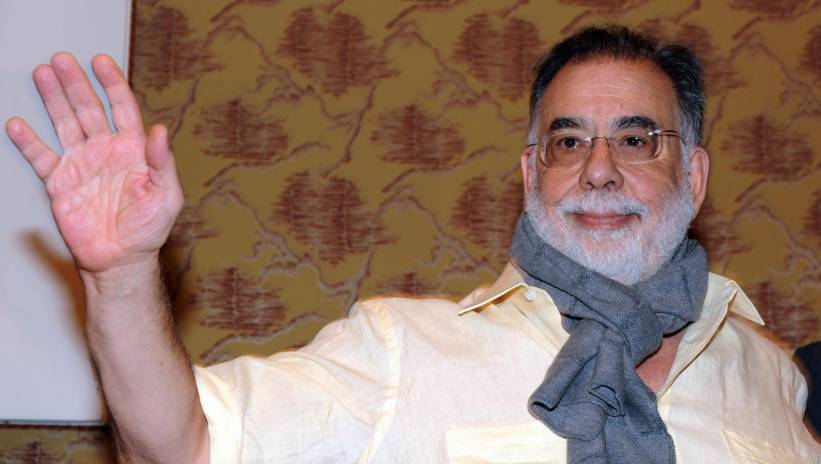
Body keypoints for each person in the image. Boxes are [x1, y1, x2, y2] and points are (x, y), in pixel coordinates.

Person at [5, 25, 818, 463]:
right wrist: (121, 272)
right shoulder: (402, 352)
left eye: (636, 140)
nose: (597, 170)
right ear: (530, 173)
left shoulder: (772, 378)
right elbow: (180, 446)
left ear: (693, 176)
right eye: (568, 142)